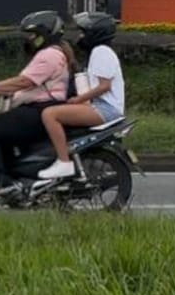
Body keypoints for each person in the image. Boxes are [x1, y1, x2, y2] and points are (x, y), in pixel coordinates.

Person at [0, 11, 74, 198]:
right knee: (0, 132)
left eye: (33, 35)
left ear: (45, 33)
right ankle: (11, 179)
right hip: (37, 109)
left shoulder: (49, 55)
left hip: (39, 111)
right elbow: (26, 84)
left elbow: (24, 82)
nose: (30, 39)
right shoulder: (52, 53)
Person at [38, 12, 125, 181]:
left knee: (50, 114)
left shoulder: (101, 51)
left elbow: (104, 86)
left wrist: (78, 100)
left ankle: (63, 162)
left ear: (95, 33)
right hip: (100, 107)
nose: (80, 36)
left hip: (105, 109)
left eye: (83, 33)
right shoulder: (99, 52)